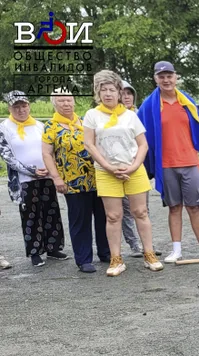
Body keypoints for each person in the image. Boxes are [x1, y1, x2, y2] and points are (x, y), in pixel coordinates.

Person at [82, 70, 163, 277]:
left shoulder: (130, 116)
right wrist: (109, 167)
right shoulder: (92, 115)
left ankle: (149, 254)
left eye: (111, 90)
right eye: (103, 90)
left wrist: (134, 166)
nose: (107, 94)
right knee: (113, 215)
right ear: (97, 93)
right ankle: (116, 259)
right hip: (106, 171)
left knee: (141, 212)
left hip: (133, 170)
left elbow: (143, 145)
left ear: (119, 93)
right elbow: (89, 145)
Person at [137, 60, 199, 262]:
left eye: (169, 76)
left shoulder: (186, 101)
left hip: (190, 161)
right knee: (174, 208)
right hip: (166, 164)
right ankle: (177, 250)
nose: (166, 80)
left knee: (195, 207)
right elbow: (138, 129)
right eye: (161, 76)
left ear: (176, 77)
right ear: (156, 79)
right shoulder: (150, 104)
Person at [41, 88, 110, 273]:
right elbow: (47, 154)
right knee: (80, 220)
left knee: (104, 217)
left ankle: (106, 252)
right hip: (71, 182)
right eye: (61, 100)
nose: (66, 104)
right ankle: (84, 259)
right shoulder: (51, 126)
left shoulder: (84, 122)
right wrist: (56, 177)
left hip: (97, 178)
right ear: (54, 103)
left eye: (69, 100)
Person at [0, 91, 67, 267]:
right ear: (10, 108)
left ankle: (53, 247)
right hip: (24, 180)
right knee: (30, 215)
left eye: (24, 106)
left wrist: (51, 169)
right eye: (16, 107)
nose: (21, 110)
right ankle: (35, 251)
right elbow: (7, 156)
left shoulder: (39, 125)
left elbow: (51, 148)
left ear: (29, 106)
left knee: (51, 211)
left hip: (46, 176)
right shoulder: (4, 128)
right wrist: (31, 171)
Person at [118, 81, 151, 258]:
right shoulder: (112, 118)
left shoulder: (139, 115)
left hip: (140, 168)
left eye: (129, 93)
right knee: (127, 210)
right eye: (123, 94)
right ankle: (134, 244)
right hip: (121, 168)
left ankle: (147, 245)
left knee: (143, 208)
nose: (127, 97)